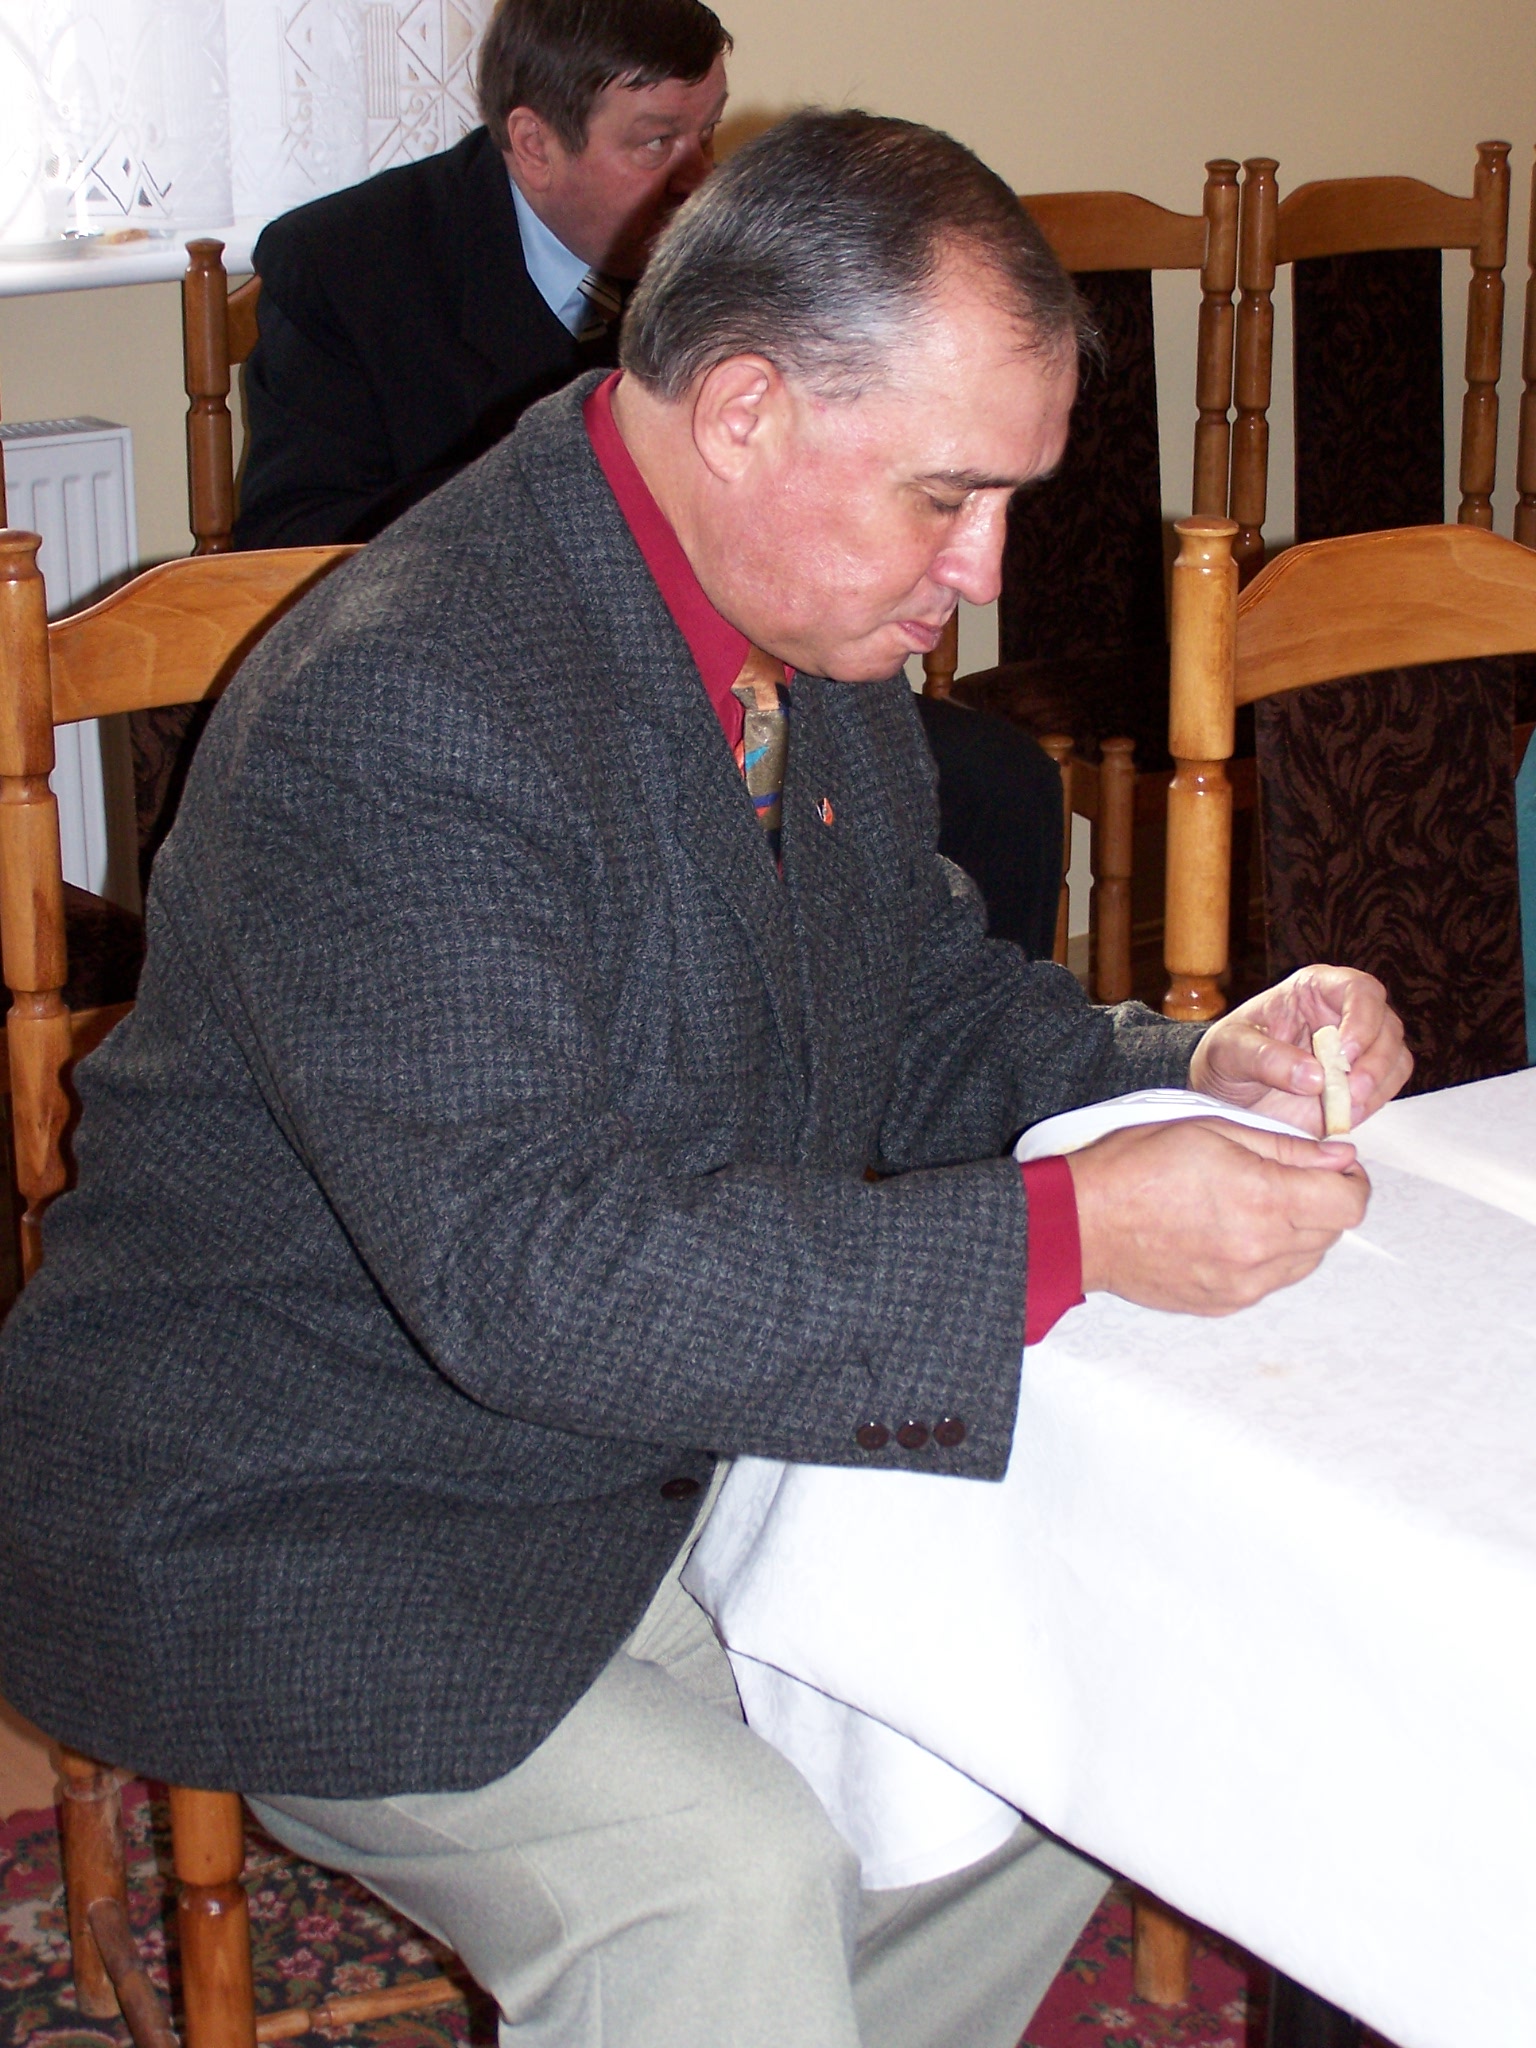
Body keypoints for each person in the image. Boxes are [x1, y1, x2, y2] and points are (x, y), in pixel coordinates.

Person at [0, 112, 1409, 2048]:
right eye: (948, 495)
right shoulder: (413, 701)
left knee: (1091, 1712)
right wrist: (1073, 1226)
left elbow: (917, 1004)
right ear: (742, 411)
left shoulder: (793, 613)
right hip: (297, 1493)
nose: (984, 568)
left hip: (624, 1435)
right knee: (717, 1880)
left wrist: (1201, 1064)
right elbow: (538, 1277)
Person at [232, 0, 1063, 953]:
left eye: (708, 131)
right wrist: (583, 487)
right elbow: (291, 553)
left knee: (999, 787)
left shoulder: (728, 252)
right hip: (505, 693)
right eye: (656, 141)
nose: (696, 176)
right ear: (534, 144)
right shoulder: (347, 263)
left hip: (742, 665)